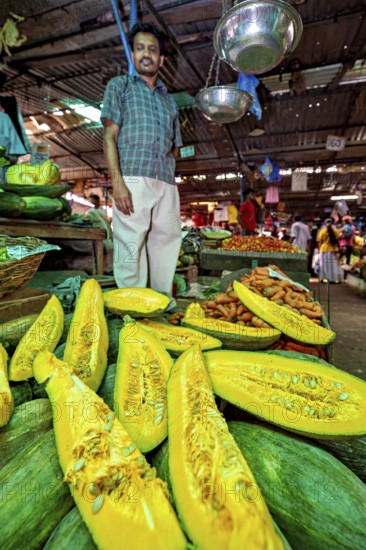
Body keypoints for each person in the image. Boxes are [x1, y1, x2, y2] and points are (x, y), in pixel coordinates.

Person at [101, 22, 182, 299]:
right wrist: (117, 182)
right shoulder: (120, 87)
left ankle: (160, 304)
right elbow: (109, 137)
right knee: (129, 248)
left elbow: (175, 149)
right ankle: (132, 311)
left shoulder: (170, 101)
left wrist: (169, 183)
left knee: (166, 245)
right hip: (133, 178)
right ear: (133, 55)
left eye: (152, 49)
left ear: (161, 58)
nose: (146, 54)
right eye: (140, 48)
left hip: (166, 183)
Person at [316, 218, 343, 283]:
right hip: (333, 250)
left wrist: (318, 250)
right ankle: (332, 279)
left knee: (323, 265)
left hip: (324, 249)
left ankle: (321, 279)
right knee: (333, 266)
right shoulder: (336, 231)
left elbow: (320, 242)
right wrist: (338, 249)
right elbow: (338, 241)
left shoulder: (322, 231)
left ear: (325, 224)